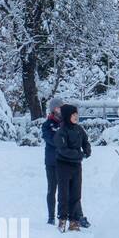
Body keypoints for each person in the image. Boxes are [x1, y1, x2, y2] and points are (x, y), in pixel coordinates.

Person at [53, 103, 92, 232]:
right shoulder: (61, 132)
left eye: (77, 114)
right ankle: (62, 219)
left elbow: (86, 141)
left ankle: (74, 220)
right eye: (73, 115)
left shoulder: (79, 129)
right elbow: (63, 150)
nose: (76, 117)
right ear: (67, 116)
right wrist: (79, 154)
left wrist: (87, 150)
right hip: (63, 165)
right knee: (64, 194)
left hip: (76, 165)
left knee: (76, 193)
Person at [40, 97, 64, 226]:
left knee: (64, 191)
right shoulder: (47, 125)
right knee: (52, 189)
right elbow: (52, 141)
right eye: (57, 107)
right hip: (51, 162)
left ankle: (63, 215)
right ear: (53, 109)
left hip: (64, 162)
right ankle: (51, 216)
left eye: (61, 106)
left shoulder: (66, 123)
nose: (60, 109)